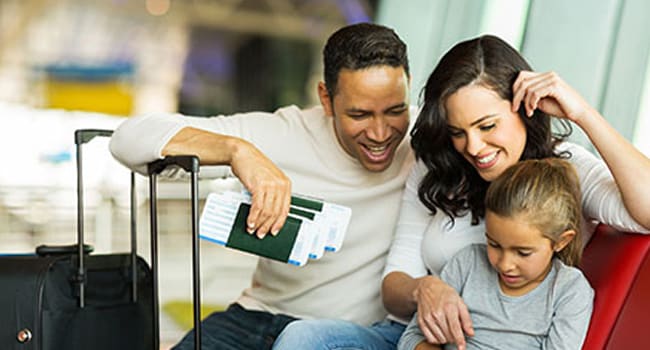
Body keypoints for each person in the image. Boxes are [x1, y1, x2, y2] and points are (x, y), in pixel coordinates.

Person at [272, 34, 650, 350]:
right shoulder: (438, 166)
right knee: (304, 338)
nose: (473, 147)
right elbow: (394, 284)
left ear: (524, 109)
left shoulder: (567, 170)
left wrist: (583, 113)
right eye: (458, 131)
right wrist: (426, 290)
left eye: (487, 126)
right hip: (422, 337)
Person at [109, 23, 415, 349]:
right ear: (326, 99)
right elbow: (128, 139)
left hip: (339, 335)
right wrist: (236, 151)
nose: (381, 133)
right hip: (255, 319)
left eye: (396, 110)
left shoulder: (427, 145)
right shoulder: (285, 132)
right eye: (360, 114)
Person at [398, 158, 594, 350]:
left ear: (561, 241)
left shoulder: (568, 290)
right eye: (494, 244)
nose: (505, 264)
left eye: (523, 253)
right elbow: (413, 337)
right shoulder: (468, 263)